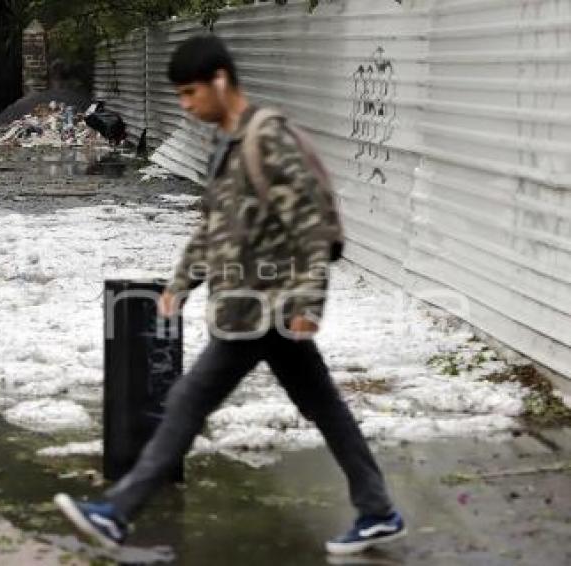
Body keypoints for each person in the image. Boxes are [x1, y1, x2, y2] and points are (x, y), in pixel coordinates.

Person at [54, 34, 406, 557]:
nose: (186, 105)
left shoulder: (268, 138)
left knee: (188, 401)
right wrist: (179, 285)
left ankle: (117, 513)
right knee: (324, 407)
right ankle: (377, 510)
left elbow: (310, 222)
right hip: (250, 307)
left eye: (191, 93)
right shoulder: (232, 143)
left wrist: (308, 306)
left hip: (265, 309)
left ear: (220, 81)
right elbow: (216, 228)